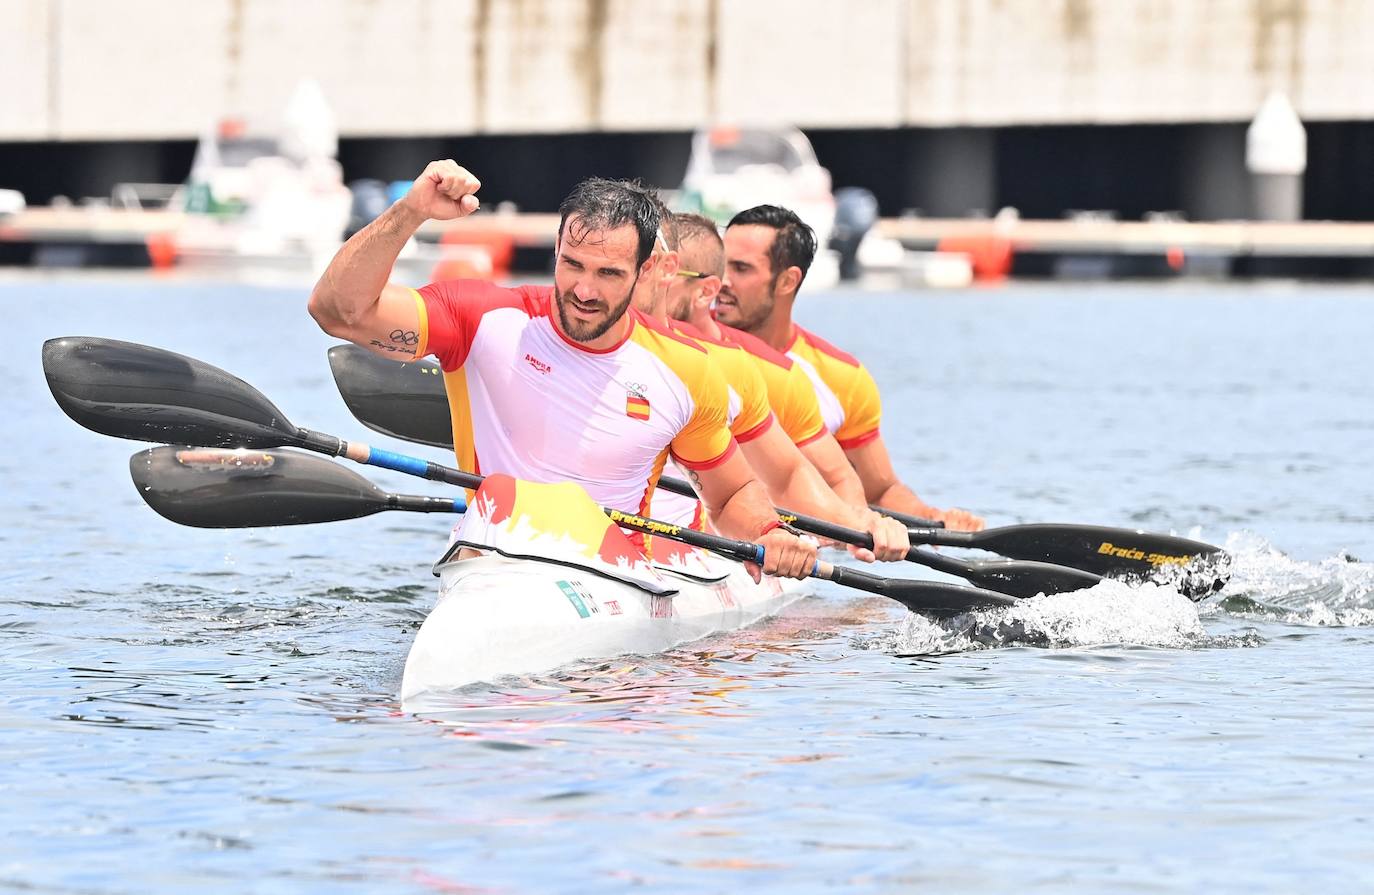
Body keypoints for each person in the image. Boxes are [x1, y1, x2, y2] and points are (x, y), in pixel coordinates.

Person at [307, 159, 817, 580]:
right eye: (572, 265)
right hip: (492, 555)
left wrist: (768, 533)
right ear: (555, 252)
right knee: (504, 496)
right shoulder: (481, 318)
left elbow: (729, 495)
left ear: (644, 274)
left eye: (609, 274)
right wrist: (411, 211)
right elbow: (337, 312)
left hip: (618, 577)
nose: (585, 291)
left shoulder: (685, 372)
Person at [628, 203, 909, 563]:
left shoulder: (761, 371)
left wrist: (859, 527)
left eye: (652, 270)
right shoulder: (570, 333)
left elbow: (810, 478)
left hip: (698, 549)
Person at [716, 204, 985, 531]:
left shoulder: (841, 377)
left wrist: (933, 520)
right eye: (720, 265)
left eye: (741, 269)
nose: (721, 282)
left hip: (788, 538)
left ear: (787, 281)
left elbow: (880, 490)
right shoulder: (683, 345)